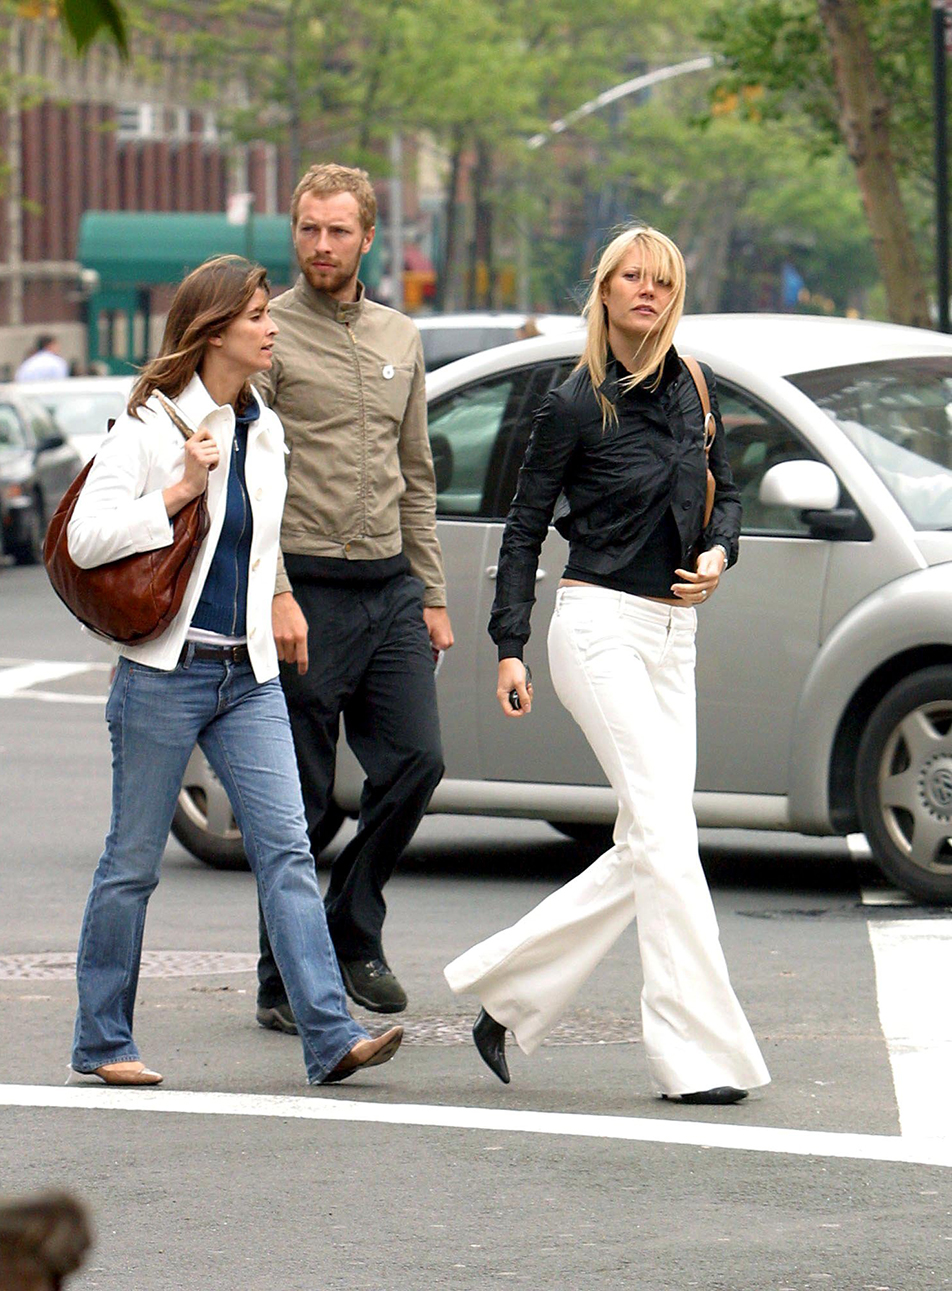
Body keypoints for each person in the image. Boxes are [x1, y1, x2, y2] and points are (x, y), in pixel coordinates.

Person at [444, 226, 771, 1106]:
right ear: (604, 288)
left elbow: (726, 494)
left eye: (662, 280)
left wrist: (719, 556)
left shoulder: (694, 387)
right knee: (668, 842)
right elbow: (523, 528)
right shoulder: (574, 402)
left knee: (650, 841)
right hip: (597, 630)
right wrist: (509, 644)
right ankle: (697, 1056)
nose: (648, 291)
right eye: (632, 277)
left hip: (674, 637)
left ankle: (505, 995)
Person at [66, 254, 402, 1088]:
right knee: (131, 863)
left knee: (288, 851)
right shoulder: (151, 424)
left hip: (246, 676)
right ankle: (103, 1040)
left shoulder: (265, 425)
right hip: (163, 674)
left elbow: (258, 548)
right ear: (215, 328)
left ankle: (330, 1036)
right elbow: (84, 540)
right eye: (257, 314)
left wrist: (279, 601)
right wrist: (177, 492)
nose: (271, 325)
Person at [251, 163, 453, 1033]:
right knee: (296, 798)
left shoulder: (399, 336)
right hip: (306, 591)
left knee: (417, 763)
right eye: (308, 229)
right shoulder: (265, 336)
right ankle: (279, 979)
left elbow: (417, 475)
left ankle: (349, 927)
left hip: (391, 589)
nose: (322, 245)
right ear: (293, 232)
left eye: (338, 231)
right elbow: (254, 484)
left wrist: (433, 594)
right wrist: (278, 594)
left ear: (368, 236)